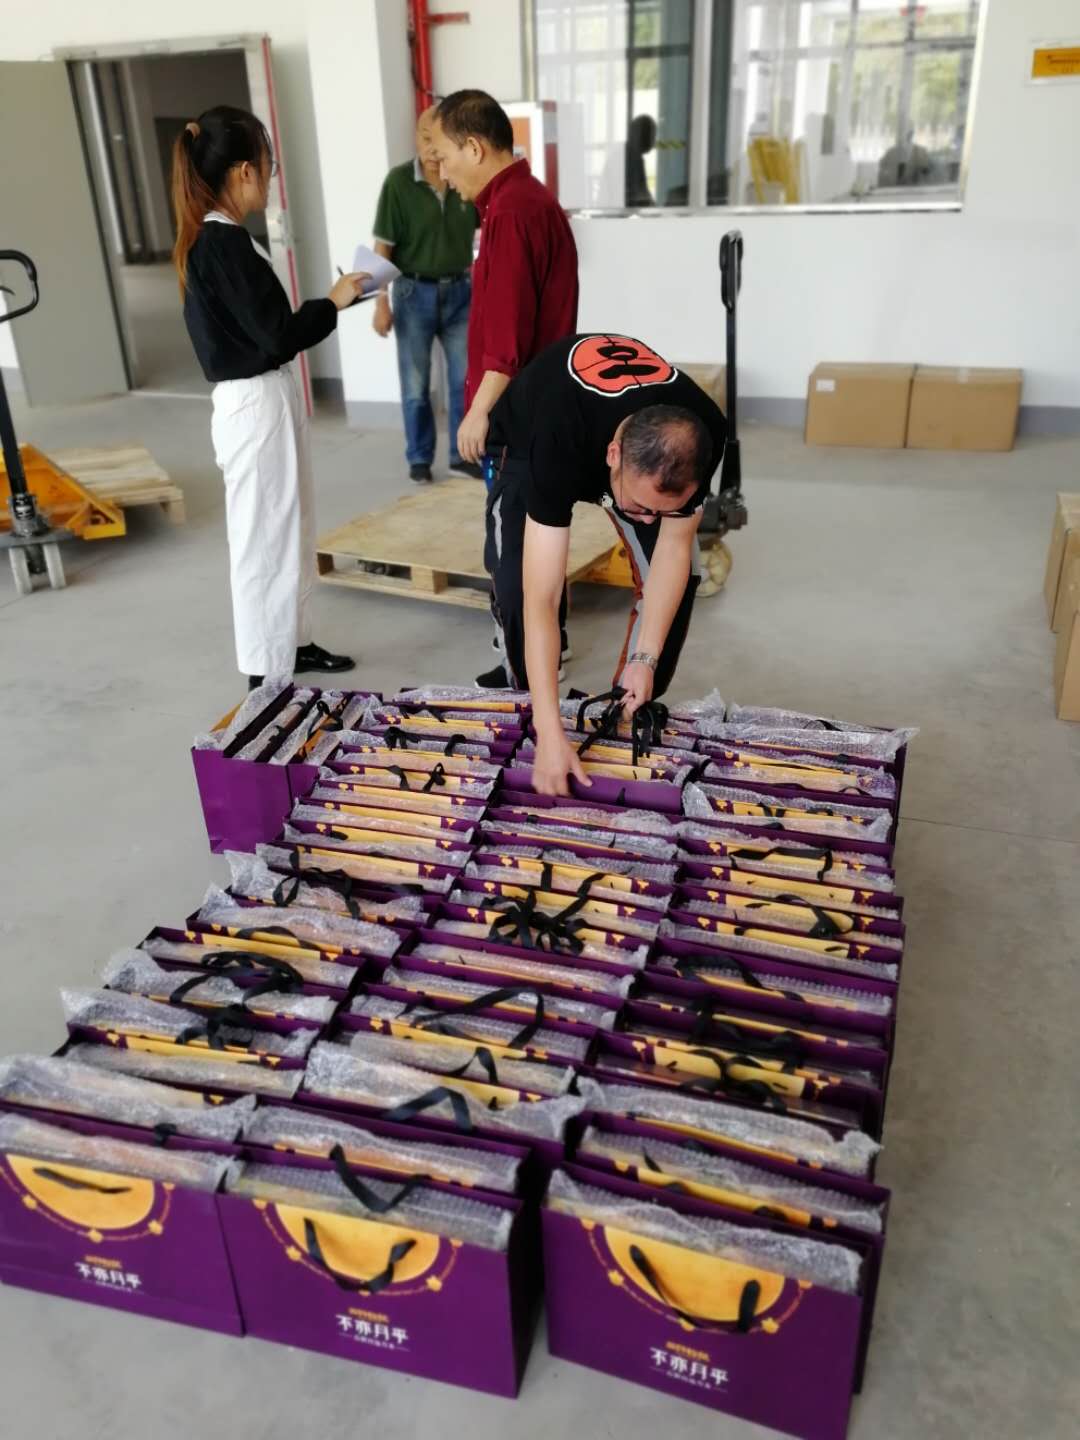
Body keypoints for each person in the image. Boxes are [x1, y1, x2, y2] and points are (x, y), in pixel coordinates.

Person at [481, 332, 726, 796]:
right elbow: (542, 596)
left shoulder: (703, 430)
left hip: (619, 447)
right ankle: (532, 707)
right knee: (515, 587)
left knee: (683, 579)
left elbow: (673, 548)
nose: (649, 520)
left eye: (663, 510)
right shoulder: (558, 439)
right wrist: (549, 730)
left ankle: (624, 706)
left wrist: (645, 657)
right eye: (641, 507)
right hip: (529, 437)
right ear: (613, 457)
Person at [172, 106, 366, 689]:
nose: (270, 178)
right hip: (253, 402)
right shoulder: (222, 243)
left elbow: (267, 333)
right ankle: (264, 673)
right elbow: (277, 335)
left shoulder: (226, 238)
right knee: (262, 542)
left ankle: (292, 642)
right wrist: (332, 302)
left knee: (292, 526)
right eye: (267, 166)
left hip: (267, 395)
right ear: (243, 172)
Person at [430, 88, 580, 685]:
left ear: (474, 147)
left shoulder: (514, 212)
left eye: (444, 157)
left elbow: (509, 336)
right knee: (536, 533)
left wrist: (478, 412)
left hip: (520, 414)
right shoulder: (519, 202)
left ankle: (524, 673)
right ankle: (548, 649)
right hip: (541, 407)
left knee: (510, 548)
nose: (442, 173)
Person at [372, 106, 479, 484]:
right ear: (416, 137)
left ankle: (460, 457)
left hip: (461, 292)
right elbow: (382, 248)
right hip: (412, 292)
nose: (432, 148)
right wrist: (379, 301)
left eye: (439, 139)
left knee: (463, 380)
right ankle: (419, 457)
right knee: (416, 384)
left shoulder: (462, 177)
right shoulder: (399, 183)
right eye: (425, 137)